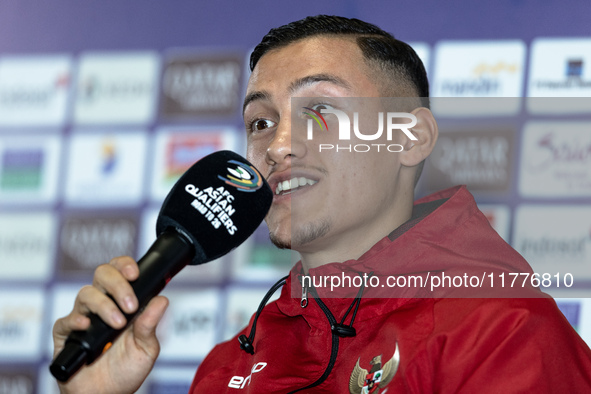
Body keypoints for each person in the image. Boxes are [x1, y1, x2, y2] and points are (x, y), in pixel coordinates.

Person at [52, 15, 591, 393]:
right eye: (261, 122)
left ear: (410, 137)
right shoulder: (228, 365)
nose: (279, 144)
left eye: (319, 111)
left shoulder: (503, 335)